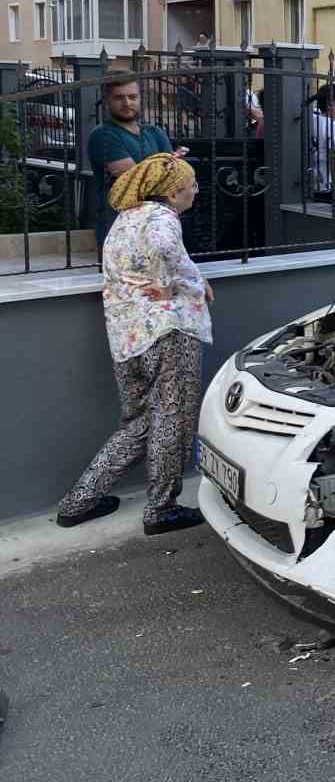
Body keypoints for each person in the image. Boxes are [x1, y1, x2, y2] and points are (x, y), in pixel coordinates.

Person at [57, 153, 211, 534]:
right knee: (170, 424)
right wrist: (193, 281)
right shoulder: (162, 219)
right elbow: (163, 248)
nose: (196, 190)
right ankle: (161, 510)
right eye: (191, 185)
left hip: (127, 339)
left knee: (141, 422)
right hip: (168, 333)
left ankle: (79, 501)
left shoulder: (124, 220)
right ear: (174, 193)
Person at [88, 77, 181, 247]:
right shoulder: (103, 135)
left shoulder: (155, 132)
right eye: (119, 97)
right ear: (107, 101)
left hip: (159, 225)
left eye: (132, 97)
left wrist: (166, 169)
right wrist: (165, 165)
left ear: (140, 98)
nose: (127, 103)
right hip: (120, 226)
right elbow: (134, 179)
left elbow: (175, 177)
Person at [308, 82, 335, 201]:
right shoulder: (333, 126)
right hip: (330, 181)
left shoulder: (312, 120)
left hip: (314, 179)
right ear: (330, 104)